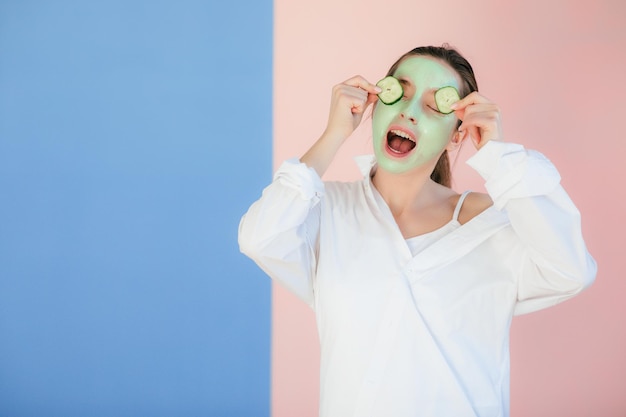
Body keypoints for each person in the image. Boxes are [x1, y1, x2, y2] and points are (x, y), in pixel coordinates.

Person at [238, 45, 597, 417]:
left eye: (434, 105)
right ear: (376, 105)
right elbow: (258, 237)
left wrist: (500, 157)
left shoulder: (492, 224)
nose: (408, 112)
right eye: (400, 93)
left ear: (457, 134)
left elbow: (571, 271)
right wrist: (334, 134)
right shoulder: (326, 211)